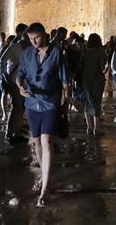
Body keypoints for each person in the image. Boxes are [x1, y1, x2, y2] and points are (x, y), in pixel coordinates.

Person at [16, 22, 71, 207]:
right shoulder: (26, 54)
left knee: (47, 141)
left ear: (44, 35)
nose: (33, 42)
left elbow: (65, 80)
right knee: (37, 141)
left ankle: (45, 188)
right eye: (30, 39)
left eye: (36, 37)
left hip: (50, 103)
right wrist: (20, 86)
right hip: (32, 103)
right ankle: (44, 175)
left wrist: (66, 102)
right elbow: (20, 74)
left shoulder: (56, 54)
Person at [0, 23, 31, 144]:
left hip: (25, 83)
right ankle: (9, 133)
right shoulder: (15, 47)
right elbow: (2, 60)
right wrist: (5, 75)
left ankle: (15, 132)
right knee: (17, 107)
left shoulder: (31, 49)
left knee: (20, 108)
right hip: (13, 81)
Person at [80, 33, 108, 135]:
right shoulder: (100, 52)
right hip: (97, 80)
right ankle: (97, 129)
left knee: (87, 103)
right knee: (96, 103)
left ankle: (89, 128)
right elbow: (102, 67)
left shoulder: (85, 52)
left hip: (86, 80)